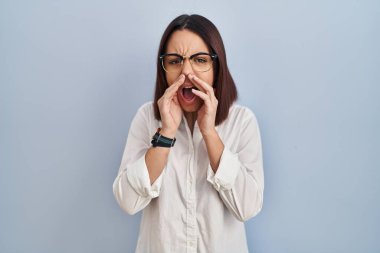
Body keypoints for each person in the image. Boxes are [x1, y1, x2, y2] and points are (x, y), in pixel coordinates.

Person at [112, 14, 264, 253]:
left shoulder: (242, 122)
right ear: (163, 68)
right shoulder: (146, 119)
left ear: (217, 66)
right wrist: (166, 132)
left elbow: (247, 207)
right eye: (174, 61)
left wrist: (209, 133)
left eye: (200, 60)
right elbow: (128, 202)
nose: (186, 73)